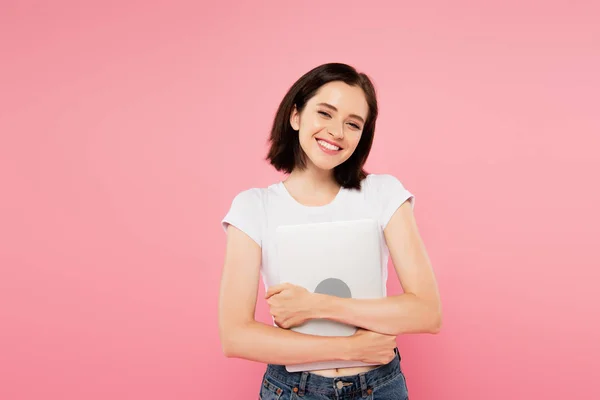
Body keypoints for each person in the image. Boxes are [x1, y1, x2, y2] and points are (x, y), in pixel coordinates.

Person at [218, 63, 442, 399]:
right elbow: (236, 336)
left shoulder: (383, 193)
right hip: (294, 389)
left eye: (353, 124)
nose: (337, 131)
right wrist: (352, 349)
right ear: (296, 116)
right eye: (325, 113)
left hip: (378, 387)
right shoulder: (254, 207)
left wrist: (317, 305)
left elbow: (427, 312)